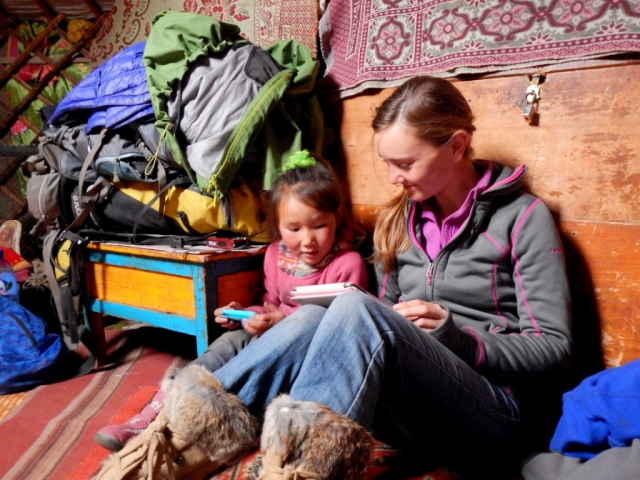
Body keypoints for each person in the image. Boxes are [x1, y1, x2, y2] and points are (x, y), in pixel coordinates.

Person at [96, 76, 572, 480]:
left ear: (457, 146)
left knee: (353, 308)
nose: (392, 178)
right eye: (386, 162)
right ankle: (174, 447)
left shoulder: (523, 219)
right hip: (410, 410)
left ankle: (299, 467)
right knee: (304, 321)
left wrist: (458, 337)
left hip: (494, 416)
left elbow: (555, 347)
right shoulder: (399, 220)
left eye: (404, 164)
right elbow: (383, 318)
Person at [93, 151, 369, 452]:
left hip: (304, 355)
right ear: (278, 223)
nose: (307, 240)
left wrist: (280, 322)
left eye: (319, 226)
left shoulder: (347, 264)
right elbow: (271, 304)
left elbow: (342, 335)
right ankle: (153, 414)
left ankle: (187, 421)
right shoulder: (276, 255)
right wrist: (244, 315)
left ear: (337, 217)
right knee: (228, 343)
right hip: (268, 334)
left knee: (242, 368)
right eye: (294, 228)